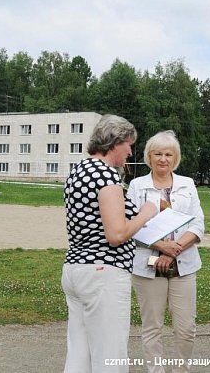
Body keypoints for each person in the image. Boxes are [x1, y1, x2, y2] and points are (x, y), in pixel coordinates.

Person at [62, 114, 158, 373]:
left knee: (79, 355)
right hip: (104, 272)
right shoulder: (106, 176)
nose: (130, 151)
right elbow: (115, 235)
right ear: (115, 142)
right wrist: (145, 214)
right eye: (128, 144)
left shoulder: (78, 171)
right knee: (110, 356)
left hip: (75, 269)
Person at [127, 130, 204, 373]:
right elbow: (131, 226)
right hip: (146, 266)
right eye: (157, 153)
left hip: (184, 264)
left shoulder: (187, 184)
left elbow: (197, 223)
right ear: (149, 157)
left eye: (168, 154)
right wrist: (161, 247)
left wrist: (173, 251)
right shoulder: (137, 186)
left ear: (176, 157)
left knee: (186, 328)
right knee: (152, 327)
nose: (163, 159)